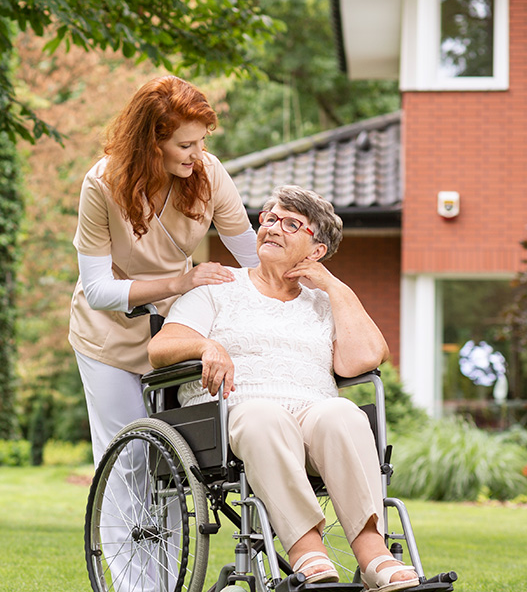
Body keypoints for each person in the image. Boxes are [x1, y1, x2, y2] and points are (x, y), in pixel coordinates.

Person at [147, 185, 418, 592]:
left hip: (312, 411)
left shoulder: (325, 302)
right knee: (264, 416)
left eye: (291, 224)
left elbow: (362, 360)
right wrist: (207, 345)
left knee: (343, 413)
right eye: (269, 219)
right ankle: (307, 550)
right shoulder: (218, 288)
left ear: (316, 251)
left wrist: (335, 288)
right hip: (234, 410)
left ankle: (373, 554)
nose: (273, 228)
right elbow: (160, 348)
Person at [70, 74, 259, 467]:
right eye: (185, 145)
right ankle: (120, 532)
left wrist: (300, 285)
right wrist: (180, 281)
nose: (198, 153)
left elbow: (250, 254)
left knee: (177, 458)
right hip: (108, 331)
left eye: (202, 141)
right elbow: (98, 289)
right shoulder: (101, 185)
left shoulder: (209, 173)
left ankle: (170, 534)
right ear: (151, 144)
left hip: (175, 331)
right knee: (129, 458)